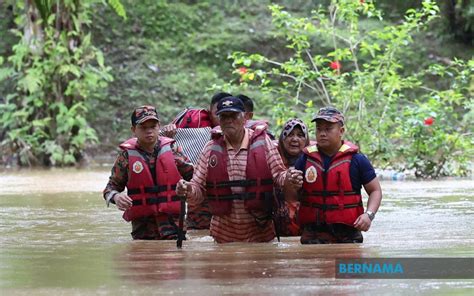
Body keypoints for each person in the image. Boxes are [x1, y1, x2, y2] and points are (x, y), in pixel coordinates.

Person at [176, 97, 303, 243]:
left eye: (233, 116)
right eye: (224, 116)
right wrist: (187, 190)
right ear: (219, 120)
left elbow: (279, 176)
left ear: (244, 119)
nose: (228, 120)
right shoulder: (210, 148)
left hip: (261, 234)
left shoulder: (263, 143)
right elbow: (197, 191)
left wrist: (290, 178)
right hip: (222, 236)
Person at [293, 107, 382, 244]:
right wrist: (289, 183)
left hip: (348, 233)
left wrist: (369, 215)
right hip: (314, 234)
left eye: (328, 129)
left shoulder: (357, 160)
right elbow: (291, 196)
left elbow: (375, 191)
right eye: (319, 129)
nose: (322, 133)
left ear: (341, 131)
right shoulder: (305, 159)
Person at [103, 105, 194, 240]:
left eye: (153, 126)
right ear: (133, 130)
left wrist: (187, 187)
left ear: (159, 127)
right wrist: (116, 197)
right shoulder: (126, 156)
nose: (149, 131)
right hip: (143, 231)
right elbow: (109, 189)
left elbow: (195, 177)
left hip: (174, 228)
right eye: (143, 127)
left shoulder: (172, 149)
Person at [162, 92, 232, 230]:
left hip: (229, 209)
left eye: (227, 114)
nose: (222, 118)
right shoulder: (194, 125)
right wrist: (166, 134)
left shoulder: (245, 137)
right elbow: (156, 143)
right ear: (209, 111)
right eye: (218, 113)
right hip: (199, 209)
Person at [274, 119, 310, 237]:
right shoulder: (271, 158)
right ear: (282, 139)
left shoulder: (315, 160)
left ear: (306, 141)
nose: (295, 139)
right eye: (290, 134)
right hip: (277, 225)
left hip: (307, 225)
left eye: (300, 135)